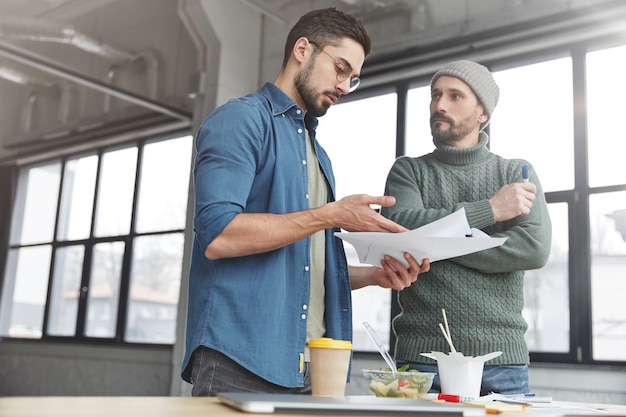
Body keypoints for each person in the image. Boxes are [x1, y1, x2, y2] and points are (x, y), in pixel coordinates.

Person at [181, 8, 430, 396]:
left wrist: (372, 275)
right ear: (302, 49)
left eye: (354, 77)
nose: (346, 85)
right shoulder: (240, 120)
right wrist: (329, 214)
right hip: (240, 361)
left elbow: (304, 269)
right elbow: (218, 236)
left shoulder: (318, 155)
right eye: (340, 68)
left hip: (310, 367)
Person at [381, 60, 552, 395]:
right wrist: (489, 210)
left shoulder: (516, 173)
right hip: (421, 360)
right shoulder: (407, 172)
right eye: (435, 95)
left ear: (482, 114)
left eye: (455, 96)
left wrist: (435, 242)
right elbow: (400, 232)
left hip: (502, 361)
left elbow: (533, 248)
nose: (439, 105)